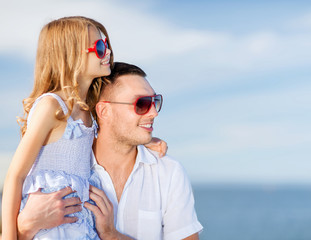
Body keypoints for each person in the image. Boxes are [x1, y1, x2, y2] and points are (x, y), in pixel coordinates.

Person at [2, 17, 166, 240]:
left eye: (106, 45)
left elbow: (113, 134)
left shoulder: (88, 109)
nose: (107, 52)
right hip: (50, 223)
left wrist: (146, 139)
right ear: (71, 56)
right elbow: (16, 175)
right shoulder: (52, 106)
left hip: (78, 221)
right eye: (99, 47)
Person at [17, 62, 203, 240]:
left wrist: (112, 235)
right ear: (104, 111)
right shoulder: (63, 170)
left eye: (155, 101)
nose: (154, 112)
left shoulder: (169, 172)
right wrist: (25, 228)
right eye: (142, 104)